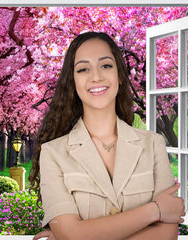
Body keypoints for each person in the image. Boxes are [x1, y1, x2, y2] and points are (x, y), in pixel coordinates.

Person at [29, 32, 185, 240]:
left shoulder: (153, 144)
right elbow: (70, 235)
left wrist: (79, 235)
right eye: (83, 69)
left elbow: (167, 235)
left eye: (106, 65)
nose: (96, 77)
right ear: (73, 81)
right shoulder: (53, 153)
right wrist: (154, 210)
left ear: (119, 75)